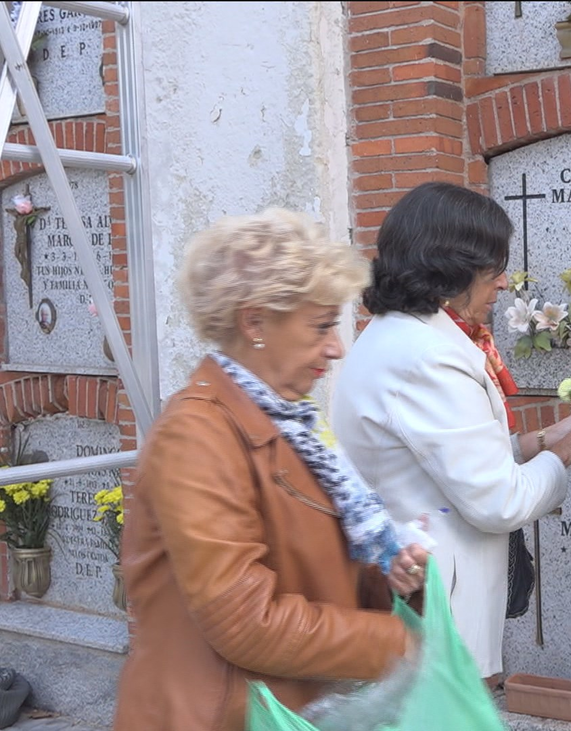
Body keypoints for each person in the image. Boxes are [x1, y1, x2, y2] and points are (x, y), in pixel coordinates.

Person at [114, 209, 430, 731]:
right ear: (254, 322)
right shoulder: (196, 436)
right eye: (322, 326)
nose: (336, 348)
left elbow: (314, 565)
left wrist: (391, 578)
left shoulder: (292, 423)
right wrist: (399, 645)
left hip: (288, 708)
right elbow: (244, 621)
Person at [332, 181, 571, 680]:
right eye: (494, 268)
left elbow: (448, 459)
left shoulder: (405, 339)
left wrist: (552, 435)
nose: (504, 283)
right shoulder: (427, 357)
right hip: (435, 610)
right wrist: (570, 448)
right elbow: (497, 502)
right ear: (450, 267)